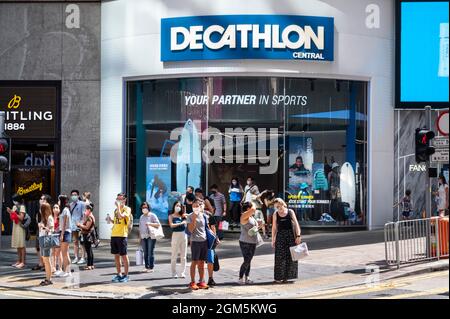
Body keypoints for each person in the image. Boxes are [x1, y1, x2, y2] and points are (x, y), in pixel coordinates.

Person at [272, 198, 301, 283]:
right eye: (276, 207)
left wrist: (298, 235)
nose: (278, 209)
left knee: (291, 256)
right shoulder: (275, 214)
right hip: (280, 236)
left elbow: (296, 224)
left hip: (291, 236)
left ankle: (287, 277)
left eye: (279, 206)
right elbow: (274, 228)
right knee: (279, 257)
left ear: (283, 204)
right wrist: (273, 239)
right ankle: (279, 277)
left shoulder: (290, 212)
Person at [186, 199, 212, 290]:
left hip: (204, 241)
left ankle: (201, 281)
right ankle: (192, 282)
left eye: (197, 206)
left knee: (201, 262)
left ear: (201, 206)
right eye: (194, 206)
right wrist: (194, 219)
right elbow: (190, 230)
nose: (196, 208)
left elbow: (207, 228)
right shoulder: (190, 216)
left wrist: (213, 236)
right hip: (195, 241)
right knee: (194, 262)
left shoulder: (204, 216)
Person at [106, 193, 132, 283]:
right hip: (114, 234)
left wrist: (118, 207)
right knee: (116, 256)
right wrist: (110, 220)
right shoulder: (116, 210)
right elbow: (116, 221)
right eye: (117, 199)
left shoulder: (127, 209)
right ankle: (119, 274)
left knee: (124, 255)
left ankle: (126, 275)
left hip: (122, 235)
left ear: (124, 200)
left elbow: (121, 216)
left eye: (120, 199)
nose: (118, 201)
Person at [238, 202, 261, 285]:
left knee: (249, 260)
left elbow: (254, 228)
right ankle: (240, 277)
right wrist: (253, 203)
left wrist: (259, 226)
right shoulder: (243, 215)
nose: (254, 210)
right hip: (245, 242)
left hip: (252, 241)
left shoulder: (251, 217)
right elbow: (254, 209)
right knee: (247, 260)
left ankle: (247, 277)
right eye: (251, 207)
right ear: (248, 209)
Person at [138, 202, 161, 272]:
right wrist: (139, 238)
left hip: (151, 236)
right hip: (143, 236)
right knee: (145, 252)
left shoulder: (152, 215)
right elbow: (140, 227)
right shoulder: (141, 217)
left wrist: (150, 223)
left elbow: (158, 224)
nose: (144, 209)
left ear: (148, 208)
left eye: (146, 207)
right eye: (143, 208)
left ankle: (151, 267)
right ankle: (146, 266)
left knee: (150, 252)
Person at [32, 194, 52, 271]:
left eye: (43, 199)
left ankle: (46, 264)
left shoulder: (47, 209)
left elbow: (49, 222)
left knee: (44, 248)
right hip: (39, 230)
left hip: (46, 231)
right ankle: (41, 263)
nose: (41, 200)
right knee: (37, 247)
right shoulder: (39, 209)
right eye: (41, 199)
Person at [169, 201, 188, 278]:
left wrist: (185, 217)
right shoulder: (171, 216)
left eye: (179, 206)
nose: (178, 207)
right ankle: (174, 273)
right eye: (176, 205)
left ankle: (182, 272)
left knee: (183, 256)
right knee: (174, 255)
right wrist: (181, 223)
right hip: (175, 235)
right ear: (174, 206)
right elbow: (171, 225)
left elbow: (188, 221)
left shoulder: (183, 216)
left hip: (184, 235)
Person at [8, 194, 27, 269]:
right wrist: (10, 212)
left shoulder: (22, 207)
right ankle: (18, 261)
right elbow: (12, 218)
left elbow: (21, 218)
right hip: (15, 226)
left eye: (14, 200)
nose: (14, 202)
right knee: (17, 245)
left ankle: (23, 262)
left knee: (21, 245)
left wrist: (13, 213)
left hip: (20, 227)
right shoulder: (14, 207)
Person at [38, 203, 55, 286]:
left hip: (46, 239)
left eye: (41, 208)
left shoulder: (50, 218)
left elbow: (51, 229)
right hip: (42, 238)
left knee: (47, 260)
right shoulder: (43, 218)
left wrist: (43, 227)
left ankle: (49, 279)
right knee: (45, 260)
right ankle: (47, 278)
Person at [77, 204, 96, 270]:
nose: (85, 211)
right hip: (88, 235)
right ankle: (91, 265)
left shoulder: (90, 217)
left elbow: (87, 227)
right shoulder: (90, 216)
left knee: (88, 251)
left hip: (87, 235)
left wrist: (80, 225)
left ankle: (89, 265)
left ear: (89, 210)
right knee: (89, 250)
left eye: (86, 209)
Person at [69, 190, 86, 265]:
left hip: (80, 225)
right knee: (75, 242)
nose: (74, 196)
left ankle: (82, 257)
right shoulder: (70, 204)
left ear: (78, 196)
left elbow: (84, 215)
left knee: (82, 242)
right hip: (73, 226)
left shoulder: (82, 204)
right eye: (72, 195)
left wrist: (81, 224)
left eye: (75, 194)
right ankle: (76, 257)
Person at [57, 195, 72, 278]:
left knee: (65, 253)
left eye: (59, 200)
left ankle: (68, 271)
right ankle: (66, 270)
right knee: (65, 253)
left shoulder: (65, 210)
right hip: (64, 232)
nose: (58, 202)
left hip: (65, 232)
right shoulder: (64, 210)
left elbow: (65, 224)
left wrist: (62, 234)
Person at [51, 203, 64, 276]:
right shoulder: (51, 217)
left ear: (59, 209)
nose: (55, 209)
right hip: (52, 235)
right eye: (54, 207)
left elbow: (62, 227)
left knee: (59, 252)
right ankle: (53, 267)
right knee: (53, 252)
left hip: (58, 235)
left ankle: (60, 268)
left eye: (57, 207)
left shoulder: (60, 217)